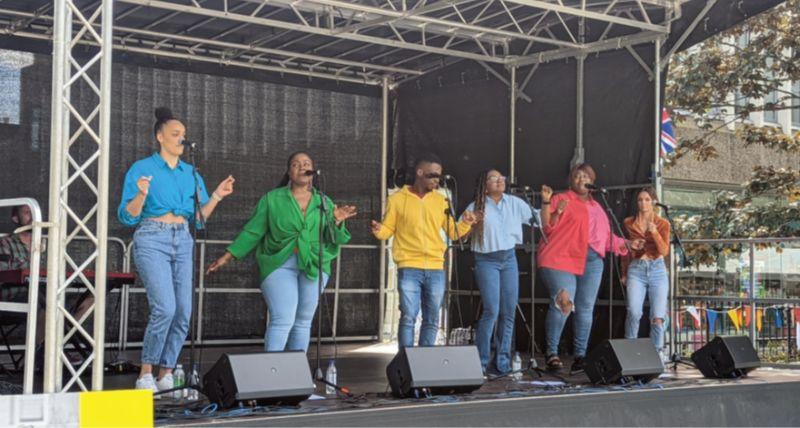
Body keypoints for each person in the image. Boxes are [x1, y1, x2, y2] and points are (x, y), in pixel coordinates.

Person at [119, 107, 235, 394]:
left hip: (182, 238)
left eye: (183, 135)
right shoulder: (142, 168)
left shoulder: (191, 173)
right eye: (175, 134)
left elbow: (198, 218)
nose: (181, 139)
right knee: (165, 308)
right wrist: (141, 194)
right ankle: (146, 372)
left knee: (183, 311)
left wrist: (217, 196)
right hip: (152, 237)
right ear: (160, 137)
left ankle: (166, 373)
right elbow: (127, 215)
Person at [206, 151, 356, 353]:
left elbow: (334, 238)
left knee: (303, 321)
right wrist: (227, 256)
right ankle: (272, 373)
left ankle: (296, 374)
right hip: (279, 262)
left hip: (313, 263)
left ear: (312, 171)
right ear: (289, 172)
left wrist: (336, 220)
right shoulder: (272, 199)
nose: (302, 166)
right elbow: (253, 231)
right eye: (296, 164)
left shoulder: (325, 202)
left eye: (306, 163)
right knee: (283, 318)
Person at [538, 163, 640, 373]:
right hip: (561, 256)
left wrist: (627, 244)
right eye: (577, 176)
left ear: (592, 181)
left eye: (585, 176)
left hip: (592, 260)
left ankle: (580, 357)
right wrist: (552, 207)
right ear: (571, 180)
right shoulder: (561, 198)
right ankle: (551, 353)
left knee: (585, 309)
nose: (580, 179)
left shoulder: (598, 208)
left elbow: (605, 238)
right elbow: (547, 226)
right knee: (564, 302)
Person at [371, 154, 478, 348]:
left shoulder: (441, 200)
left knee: (432, 318)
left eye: (439, 175)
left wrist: (467, 224)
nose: (437, 179)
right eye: (433, 175)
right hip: (409, 266)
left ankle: (424, 362)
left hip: (436, 267)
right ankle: (406, 361)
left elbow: (453, 233)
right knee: (409, 316)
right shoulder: (397, 199)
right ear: (419, 173)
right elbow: (388, 229)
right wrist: (379, 230)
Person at [464, 169, 539, 374]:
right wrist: (470, 222)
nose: (499, 180)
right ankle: (480, 362)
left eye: (501, 178)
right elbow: (461, 235)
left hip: (508, 258)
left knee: (508, 311)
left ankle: (503, 362)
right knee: (491, 310)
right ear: (484, 185)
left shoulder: (515, 203)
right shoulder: (476, 207)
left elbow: (539, 220)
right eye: (493, 178)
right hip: (486, 259)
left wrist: (552, 206)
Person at [622, 187, 671, 358]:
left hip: (657, 269)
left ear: (654, 202)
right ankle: (630, 351)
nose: (643, 203)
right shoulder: (629, 222)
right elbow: (625, 249)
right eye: (640, 200)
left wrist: (655, 232)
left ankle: (657, 353)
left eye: (647, 199)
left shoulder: (663, 224)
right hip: (636, 268)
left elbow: (664, 251)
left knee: (658, 315)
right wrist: (624, 272)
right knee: (634, 311)